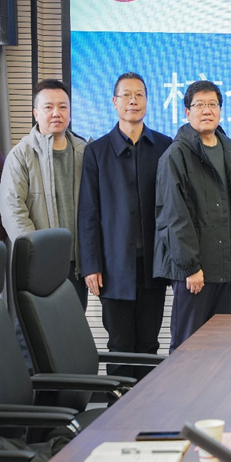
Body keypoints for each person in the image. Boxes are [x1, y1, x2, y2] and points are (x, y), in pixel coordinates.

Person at [78, 72, 172, 377]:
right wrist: (91, 265)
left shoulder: (165, 146)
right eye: (126, 95)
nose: (133, 101)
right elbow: (88, 213)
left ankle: (147, 403)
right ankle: (118, 404)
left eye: (139, 95)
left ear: (147, 101)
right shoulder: (96, 151)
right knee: (119, 346)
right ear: (114, 102)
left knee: (149, 346)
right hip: (113, 267)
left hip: (153, 267)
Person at [154, 80, 231, 352]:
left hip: (224, 268)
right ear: (187, 112)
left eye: (212, 104)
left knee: (220, 346)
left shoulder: (230, 150)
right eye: (200, 104)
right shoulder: (176, 154)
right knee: (187, 347)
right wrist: (190, 267)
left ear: (220, 110)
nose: (207, 110)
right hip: (193, 272)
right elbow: (173, 216)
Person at [0, 79, 89, 309]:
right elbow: (13, 212)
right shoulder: (21, 155)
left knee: (73, 325)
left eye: (63, 106)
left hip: (76, 264)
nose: (56, 113)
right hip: (38, 263)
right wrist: (37, 255)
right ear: (36, 113)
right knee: (35, 326)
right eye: (48, 107)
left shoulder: (84, 152)